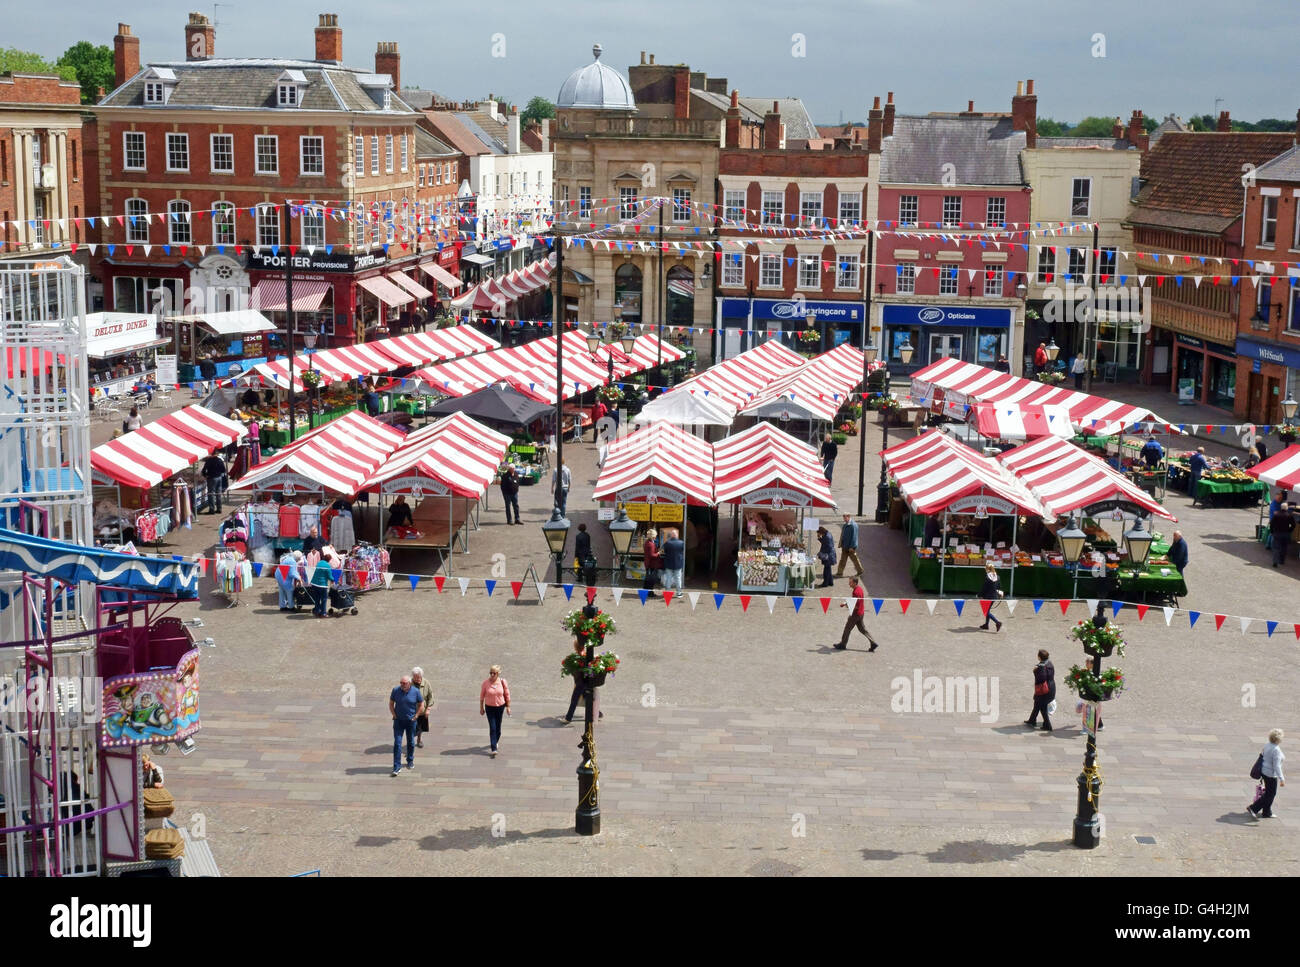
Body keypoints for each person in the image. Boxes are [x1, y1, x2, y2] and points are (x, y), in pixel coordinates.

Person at [389, 674, 425, 776]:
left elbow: (421, 703)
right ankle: (396, 767)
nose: (402, 685)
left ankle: (410, 760)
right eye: (401, 683)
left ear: (409, 683)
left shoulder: (415, 692)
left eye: (404, 683)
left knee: (410, 742)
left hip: (411, 722)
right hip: (398, 721)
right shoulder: (395, 690)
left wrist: (416, 715)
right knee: (397, 743)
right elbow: (391, 703)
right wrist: (394, 714)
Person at [1248, 728, 1286, 820]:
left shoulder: (1268, 745)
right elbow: (1277, 766)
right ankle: (1254, 808)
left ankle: (1267, 812)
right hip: (1271, 774)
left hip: (1264, 772)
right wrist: (1281, 778)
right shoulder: (1276, 749)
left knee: (1269, 793)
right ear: (1278, 739)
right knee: (1270, 794)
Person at [563, 638, 603, 723]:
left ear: (575, 647)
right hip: (586, 682)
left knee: (574, 699)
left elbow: (570, 668)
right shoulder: (585, 655)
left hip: (580, 683)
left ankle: (568, 718)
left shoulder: (575, 657)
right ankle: (598, 713)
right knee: (587, 698)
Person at [836, 575, 878, 650]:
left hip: (855, 614)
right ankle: (873, 642)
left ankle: (843, 644)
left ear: (855, 583)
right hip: (861, 613)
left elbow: (855, 606)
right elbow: (855, 602)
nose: (849, 584)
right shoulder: (859, 589)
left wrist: (846, 606)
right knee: (862, 629)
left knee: (847, 628)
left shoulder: (855, 592)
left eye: (850, 583)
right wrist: (846, 603)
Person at [478, 665, 511, 758]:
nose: (492, 675)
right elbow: (481, 697)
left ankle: (495, 740)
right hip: (489, 708)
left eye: (494, 673)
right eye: (490, 673)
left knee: (498, 728)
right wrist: (481, 707)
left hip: (500, 707)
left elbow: (507, 694)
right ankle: (494, 748)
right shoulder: (485, 683)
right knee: (492, 727)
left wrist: (508, 707)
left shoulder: (502, 682)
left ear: (498, 673)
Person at [1025, 649, 1055, 731]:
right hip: (1051, 687)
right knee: (1037, 703)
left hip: (1044, 690)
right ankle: (1032, 720)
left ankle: (1048, 725)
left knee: (1042, 707)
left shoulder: (1041, 666)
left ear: (1039, 657)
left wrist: (1035, 671)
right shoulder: (1050, 663)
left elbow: (1041, 679)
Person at [977, 561, 1003, 632]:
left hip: (987, 596)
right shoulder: (998, 577)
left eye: (986, 569)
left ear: (988, 569)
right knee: (988, 610)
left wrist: (979, 595)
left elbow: (985, 588)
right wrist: (1001, 594)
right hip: (994, 596)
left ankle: (997, 622)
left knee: (986, 611)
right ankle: (986, 625)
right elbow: (999, 587)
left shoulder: (987, 577)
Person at [835, 513, 863, 578]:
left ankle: (860, 571)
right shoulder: (845, 525)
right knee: (842, 560)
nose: (844, 519)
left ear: (848, 516)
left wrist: (852, 547)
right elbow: (843, 535)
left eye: (845, 517)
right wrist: (841, 543)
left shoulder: (853, 525)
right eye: (843, 517)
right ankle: (839, 573)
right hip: (845, 546)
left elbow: (854, 537)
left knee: (855, 559)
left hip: (851, 548)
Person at [412, 667, 433, 749]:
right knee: (412, 727)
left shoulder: (426, 683)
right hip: (412, 710)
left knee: (420, 727)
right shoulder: (409, 683)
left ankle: (419, 739)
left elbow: (430, 697)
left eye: (418, 677)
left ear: (421, 676)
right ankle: (411, 741)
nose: (416, 679)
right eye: (414, 677)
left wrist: (428, 709)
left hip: (422, 710)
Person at [1269, 501, 1295, 568]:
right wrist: (1289, 530)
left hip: (1277, 533)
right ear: (1287, 508)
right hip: (1285, 533)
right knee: (1284, 548)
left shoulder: (1276, 514)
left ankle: (1275, 561)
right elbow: (1293, 525)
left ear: (1281, 507)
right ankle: (1282, 560)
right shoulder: (1289, 515)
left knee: (1276, 548)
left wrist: (1272, 531)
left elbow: (1271, 524)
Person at [308, 552, 332, 618]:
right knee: (324, 600)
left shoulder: (319, 563)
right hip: (322, 585)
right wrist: (334, 579)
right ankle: (323, 613)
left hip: (314, 584)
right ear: (329, 560)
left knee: (317, 599)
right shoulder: (327, 565)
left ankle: (317, 611)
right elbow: (330, 576)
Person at [642, 528, 662, 598]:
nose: (656, 537)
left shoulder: (647, 542)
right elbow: (652, 555)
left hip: (648, 563)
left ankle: (645, 591)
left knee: (648, 578)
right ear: (653, 536)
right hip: (651, 564)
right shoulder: (650, 544)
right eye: (655, 536)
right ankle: (650, 593)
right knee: (651, 579)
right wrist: (658, 553)